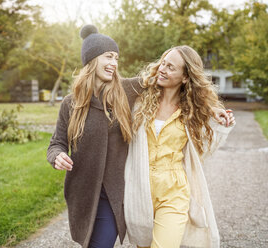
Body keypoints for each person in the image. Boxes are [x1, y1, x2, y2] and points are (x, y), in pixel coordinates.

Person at [124, 45, 235, 248]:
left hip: (174, 190)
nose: (163, 69)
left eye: (171, 67)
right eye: (163, 63)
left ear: (185, 77)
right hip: (140, 187)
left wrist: (217, 118)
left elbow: (206, 148)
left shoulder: (192, 112)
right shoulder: (139, 100)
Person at [47, 24, 142, 248]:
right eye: (108, 56)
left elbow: (167, 82)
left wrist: (211, 107)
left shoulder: (126, 91)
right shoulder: (71, 103)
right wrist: (57, 156)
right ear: (91, 60)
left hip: (113, 194)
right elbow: (56, 143)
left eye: (116, 58)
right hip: (83, 192)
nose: (114, 64)